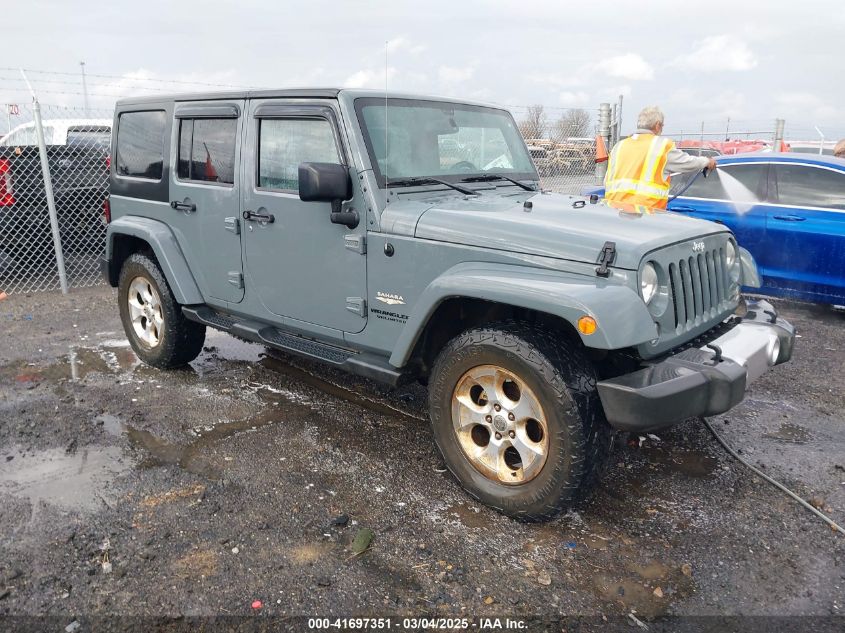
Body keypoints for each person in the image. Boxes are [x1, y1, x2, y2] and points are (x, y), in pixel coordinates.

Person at [604, 106, 717, 210]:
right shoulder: (661, 146)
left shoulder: (619, 146)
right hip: (646, 214)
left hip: (614, 213)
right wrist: (707, 161)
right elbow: (687, 162)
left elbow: (607, 181)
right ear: (657, 125)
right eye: (662, 126)